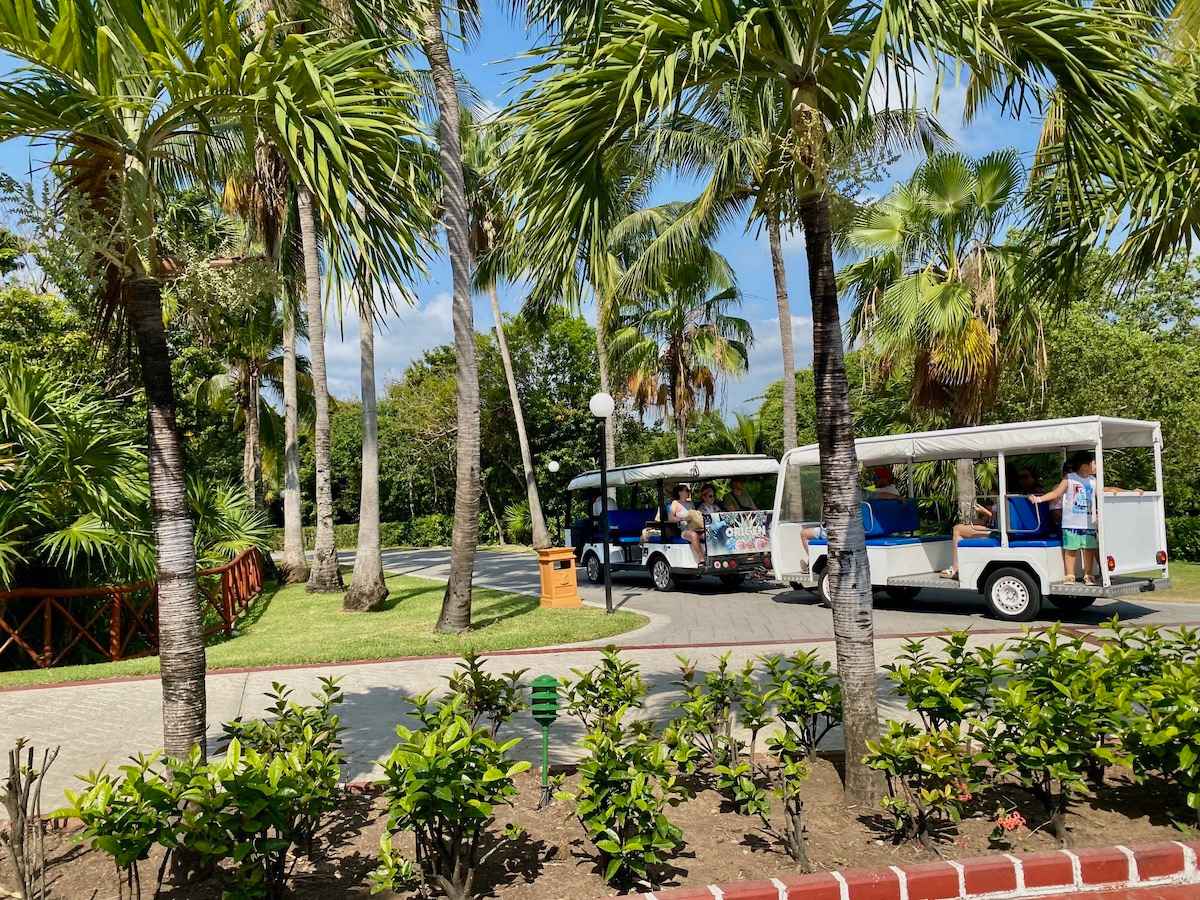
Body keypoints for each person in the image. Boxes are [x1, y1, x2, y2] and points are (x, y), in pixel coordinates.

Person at [1031, 450, 1142, 584]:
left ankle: (1088, 574)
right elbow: (1056, 493)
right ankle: (1070, 575)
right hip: (1071, 522)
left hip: (1088, 523)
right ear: (1085, 465)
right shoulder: (1069, 478)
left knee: (1089, 549)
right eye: (1094, 463)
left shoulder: (1093, 481)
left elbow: (1106, 490)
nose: (1096, 466)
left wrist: (1130, 492)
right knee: (1071, 549)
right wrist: (1039, 499)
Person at [940, 499, 995, 580]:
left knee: (957, 529)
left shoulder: (1003, 500)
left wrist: (984, 511)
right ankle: (960, 567)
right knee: (960, 528)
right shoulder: (999, 502)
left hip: (995, 532)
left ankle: (956, 569)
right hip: (993, 529)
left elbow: (996, 518)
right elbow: (989, 520)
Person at [668, 483, 705, 565]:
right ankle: (701, 558)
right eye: (687, 490)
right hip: (684, 530)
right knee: (693, 535)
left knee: (708, 534)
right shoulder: (675, 503)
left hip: (696, 527)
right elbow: (670, 518)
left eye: (689, 490)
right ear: (680, 492)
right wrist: (682, 519)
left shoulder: (690, 503)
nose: (689, 492)